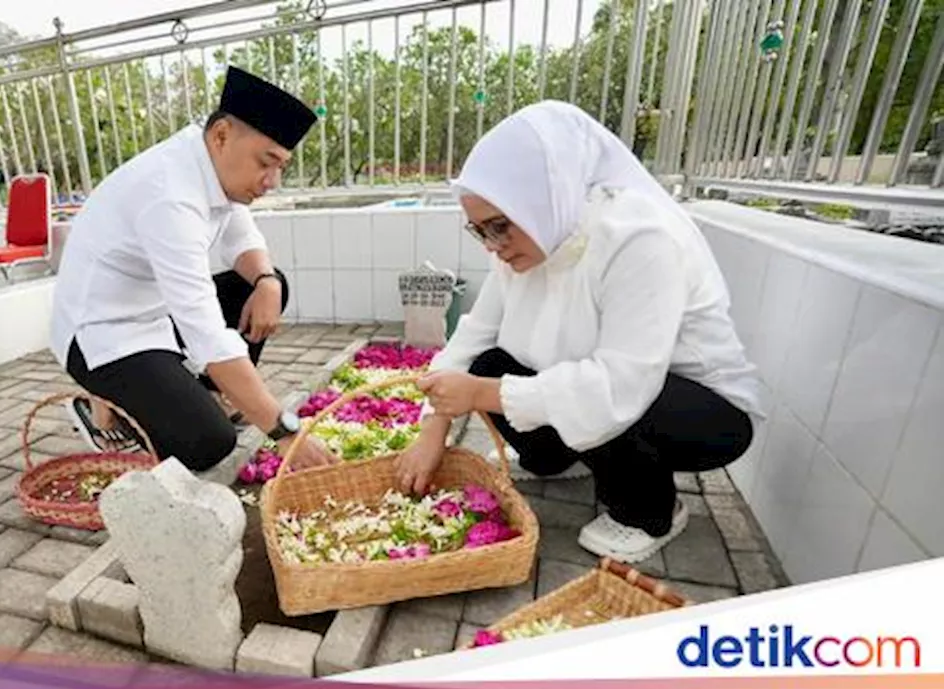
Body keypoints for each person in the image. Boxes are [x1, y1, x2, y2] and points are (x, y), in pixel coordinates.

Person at [395, 101, 764, 563]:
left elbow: (623, 383)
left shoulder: (638, 238)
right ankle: (556, 460)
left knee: (566, 391)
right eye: (479, 231)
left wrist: (480, 395)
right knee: (489, 365)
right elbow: (474, 335)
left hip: (693, 409)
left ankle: (653, 511)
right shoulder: (535, 237)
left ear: (543, 198)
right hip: (612, 384)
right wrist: (435, 426)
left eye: (500, 226)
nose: (492, 245)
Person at [50, 66, 337, 473]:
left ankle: (202, 394)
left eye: (282, 166)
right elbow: (205, 333)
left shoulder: (212, 163)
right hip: (103, 335)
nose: (272, 180)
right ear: (221, 135)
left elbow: (242, 239)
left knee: (259, 285)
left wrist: (268, 282)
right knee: (209, 442)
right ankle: (103, 407)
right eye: (266, 163)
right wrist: (286, 433)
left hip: (158, 314)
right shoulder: (169, 194)